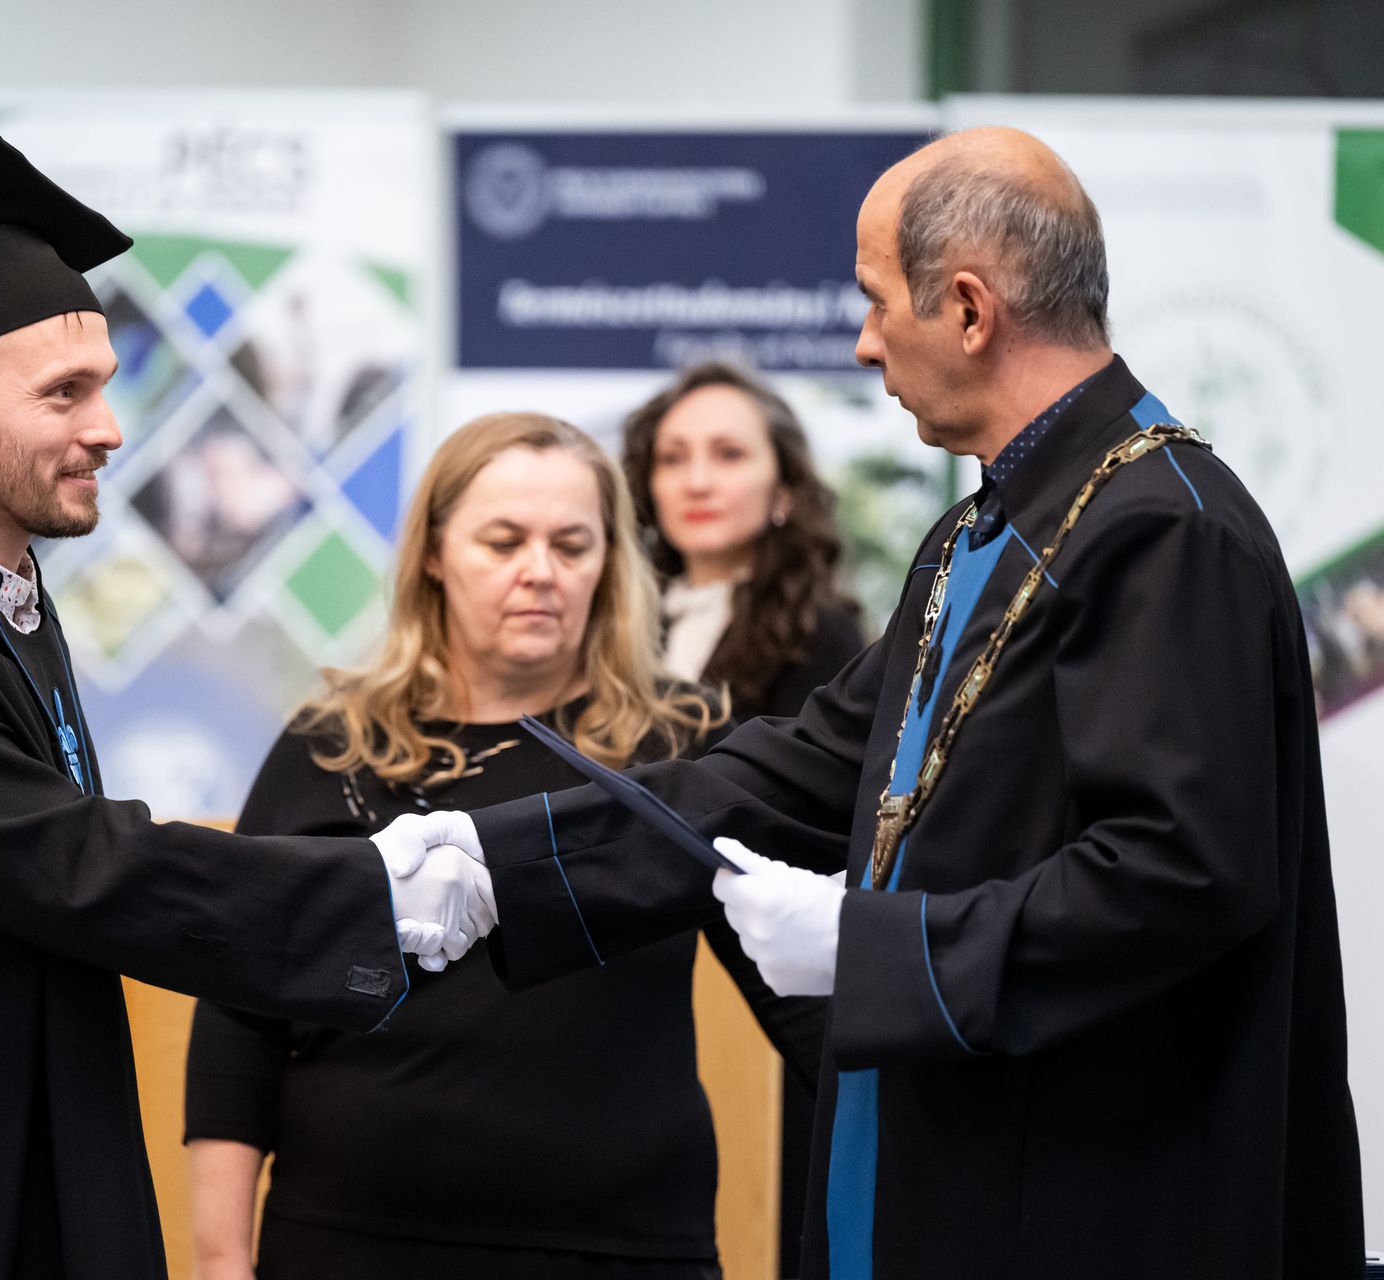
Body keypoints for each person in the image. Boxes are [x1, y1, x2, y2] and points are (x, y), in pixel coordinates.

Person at [444, 127, 1364, 1278]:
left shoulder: (1165, 529)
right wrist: (501, 855)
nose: (864, 340)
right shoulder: (984, 527)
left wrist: (870, 944)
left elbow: (1182, 875)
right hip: (947, 1157)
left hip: (1077, 1197)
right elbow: (806, 763)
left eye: (877, 301)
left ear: (970, 309)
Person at [0, 137, 491, 1280]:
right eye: (65, 391)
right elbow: (73, 866)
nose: (112, 426)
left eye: (107, 383)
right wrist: (363, 891)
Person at [187, 411, 814, 1280]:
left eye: (572, 544)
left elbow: (799, 986)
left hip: (623, 1249)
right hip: (352, 1240)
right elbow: (240, 1011)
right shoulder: (331, 746)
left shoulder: (684, 746)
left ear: (610, 562)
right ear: (434, 555)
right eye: (504, 541)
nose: (540, 572)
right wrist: (220, 1258)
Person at [622, 362, 864, 1275]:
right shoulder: (612, 628)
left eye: (727, 454)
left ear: (784, 488)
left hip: (778, 995)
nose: (696, 479)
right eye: (673, 457)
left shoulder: (829, 641)